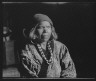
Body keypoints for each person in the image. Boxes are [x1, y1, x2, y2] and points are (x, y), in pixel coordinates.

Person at [19, 13, 77, 78]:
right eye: (41, 27)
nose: (45, 31)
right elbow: (27, 74)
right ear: (34, 30)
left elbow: (69, 70)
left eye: (48, 27)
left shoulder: (60, 47)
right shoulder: (27, 50)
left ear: (52, 30)